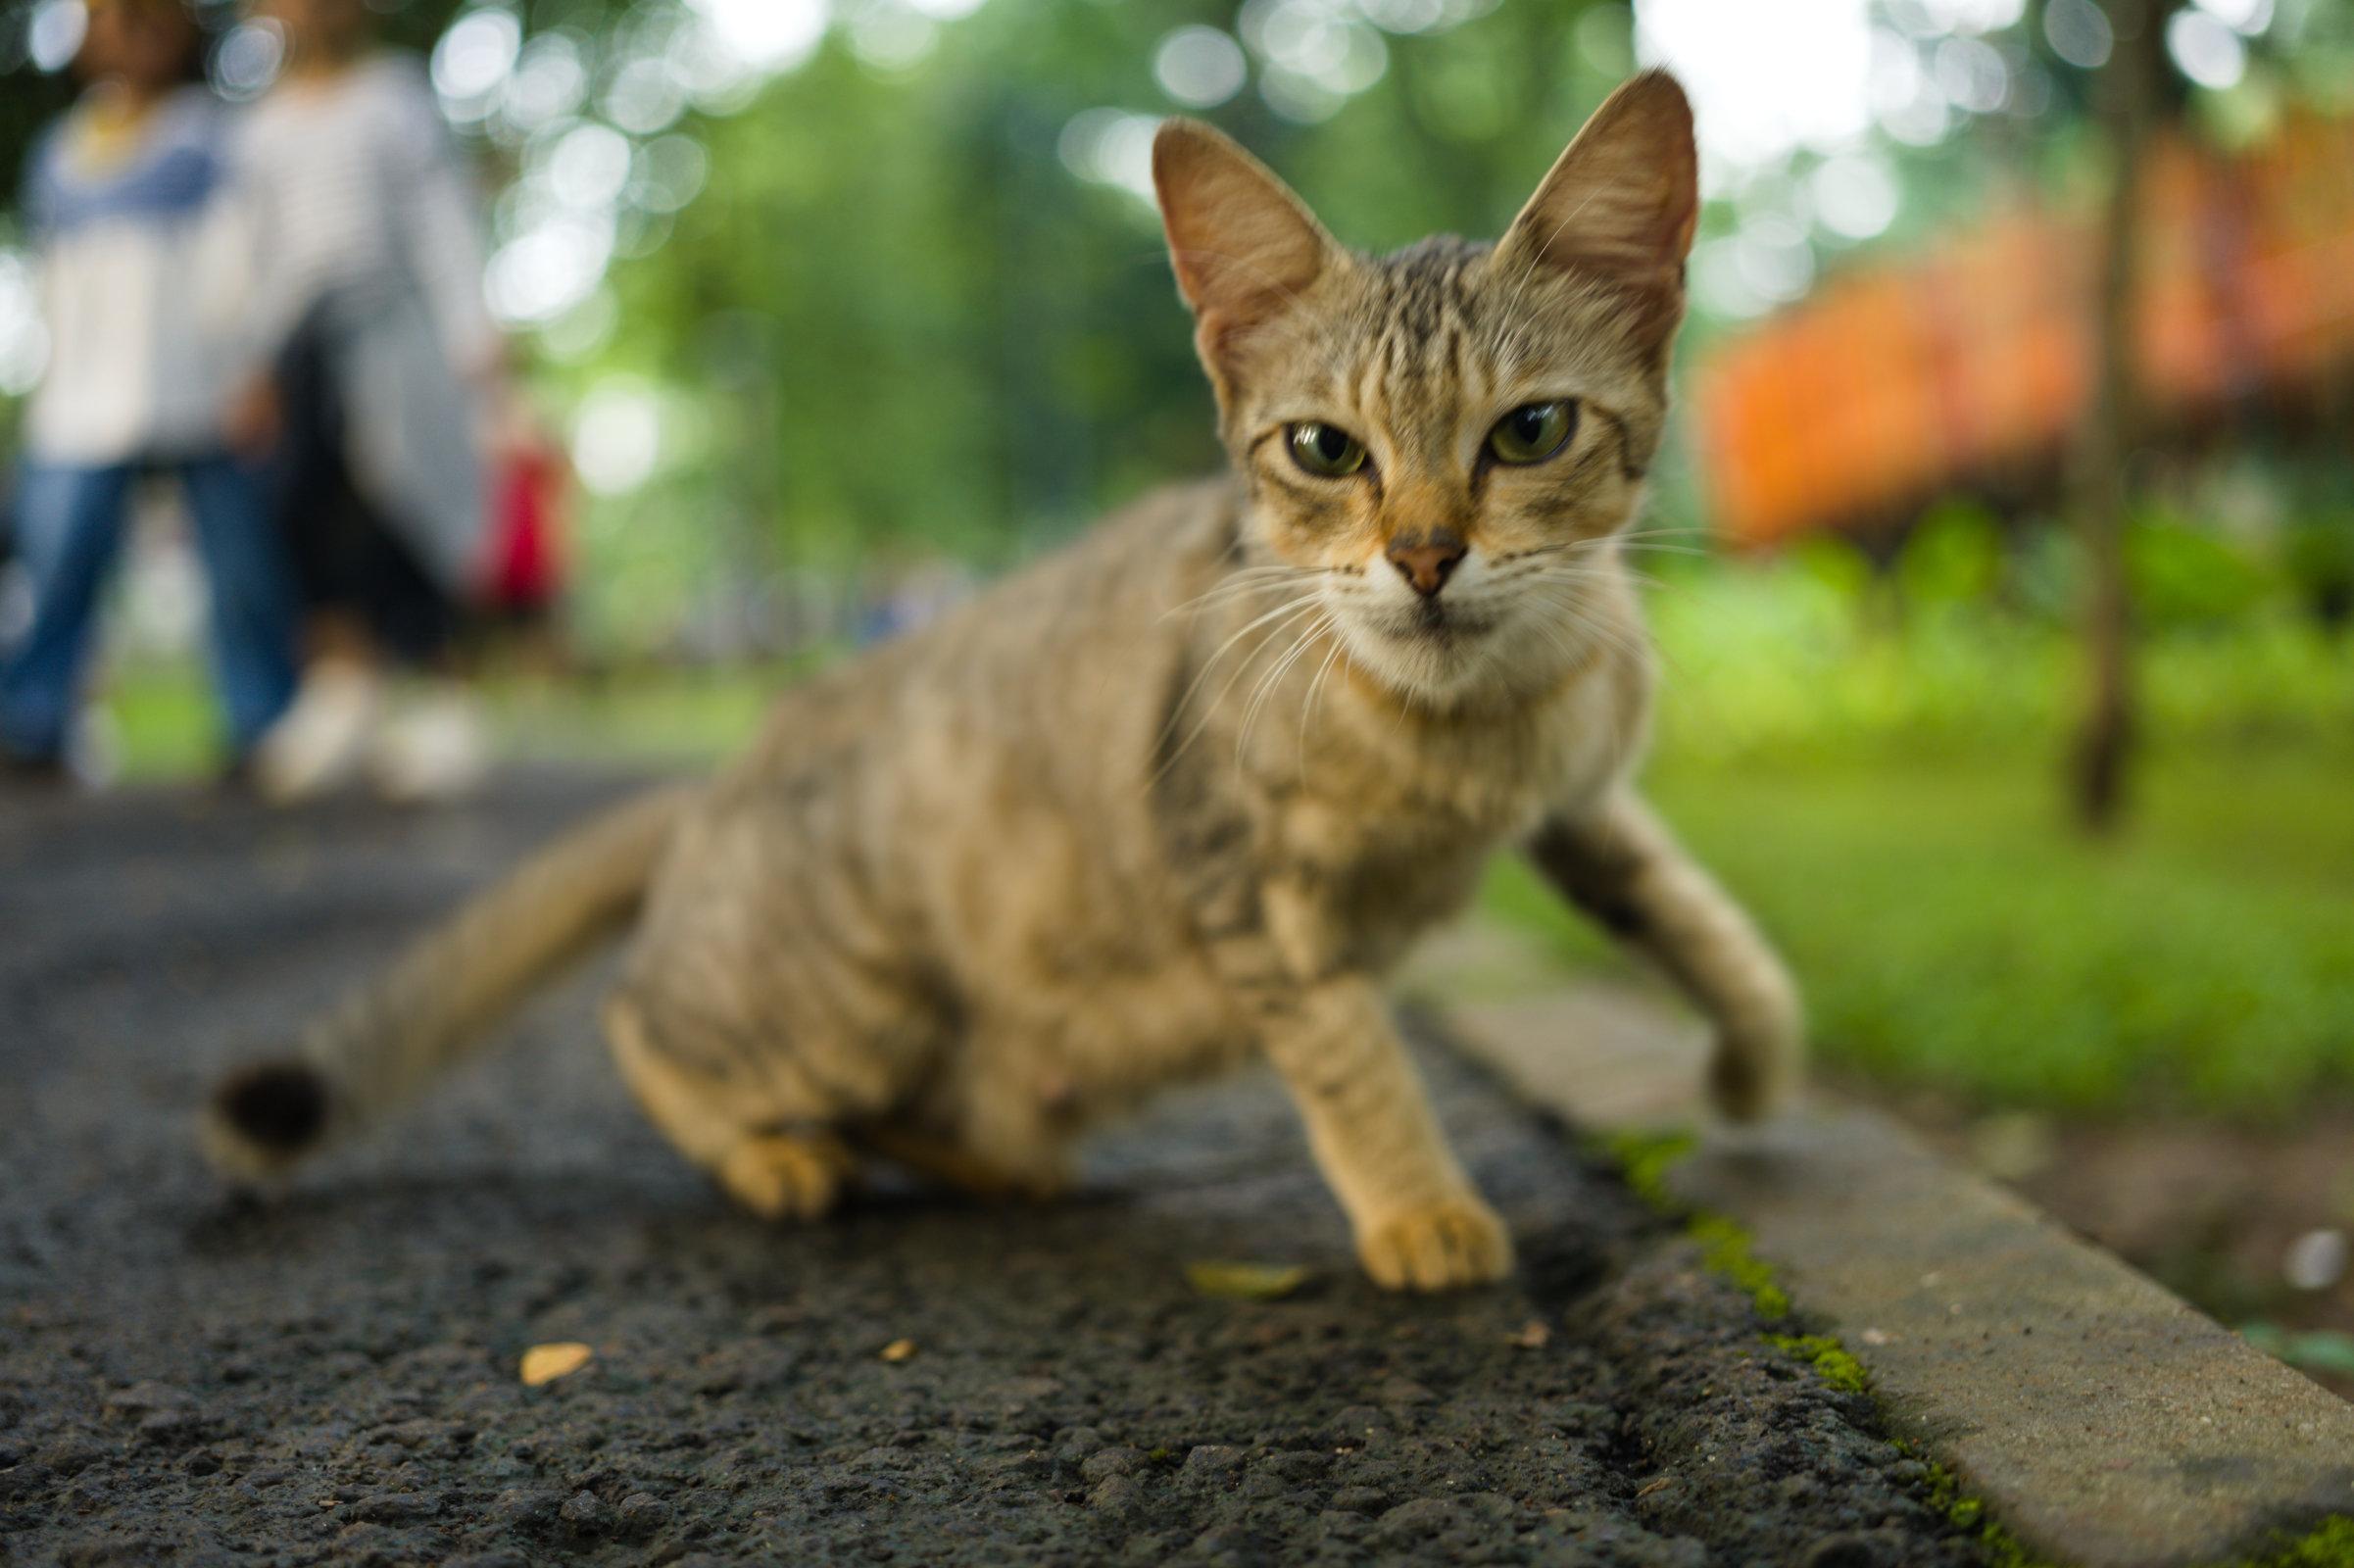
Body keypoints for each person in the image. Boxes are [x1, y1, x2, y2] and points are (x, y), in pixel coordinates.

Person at [0, 0, 297, 786]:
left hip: (198, 381)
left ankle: (263, 724)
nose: (131, 33)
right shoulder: (61, 153)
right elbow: (54, 283)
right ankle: (34, 720)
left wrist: (252, 366)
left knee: (239, 564)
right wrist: (46, 386)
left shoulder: (209, 136)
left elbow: (242, 260)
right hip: (83, 397)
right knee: (58, 558)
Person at [225, 0, 505, 803]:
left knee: (406, 502)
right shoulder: (260, 129)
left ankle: (443, 696)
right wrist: (249, 363)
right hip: (301, 346)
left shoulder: (396, 98)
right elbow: (255, 250)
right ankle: (343, 688)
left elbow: (438, 219)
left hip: (394, 333)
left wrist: (470, 328)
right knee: (309, 509)